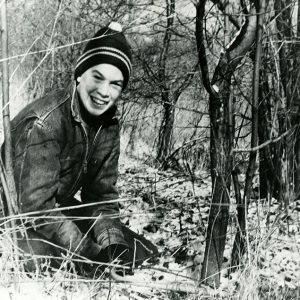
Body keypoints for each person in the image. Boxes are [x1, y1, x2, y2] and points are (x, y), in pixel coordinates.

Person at [5, 22, 157, 274]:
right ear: (79, 74)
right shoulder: (46, 121)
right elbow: (36, 208)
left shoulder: (107, 125)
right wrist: (89, 253)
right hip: (15, 216)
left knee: (139, 251)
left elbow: (101, 195)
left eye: (115, 84)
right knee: (42, 261)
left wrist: (112, 246)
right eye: (97, 77)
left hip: (56, 209)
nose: (103, 92)